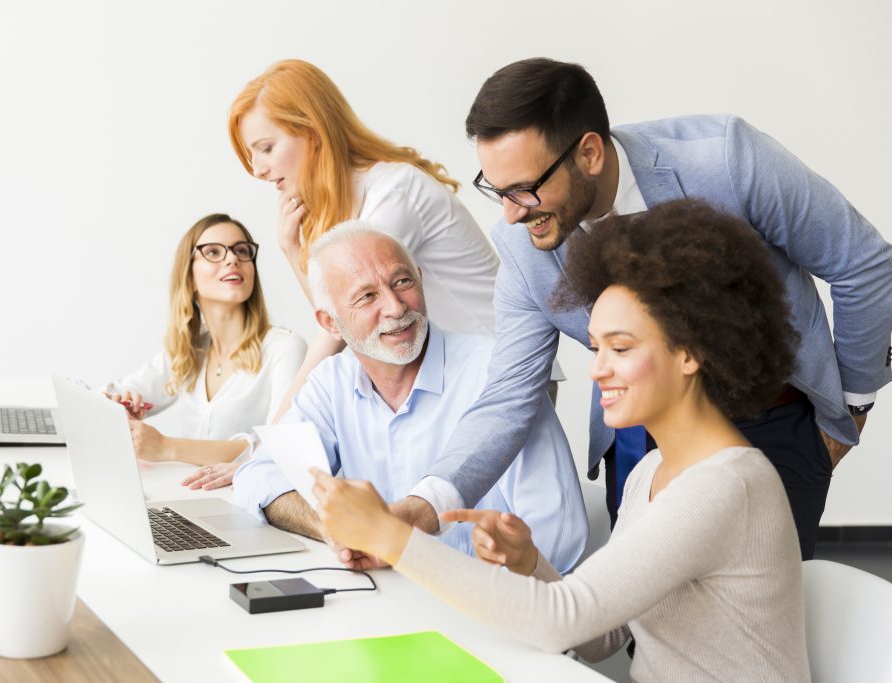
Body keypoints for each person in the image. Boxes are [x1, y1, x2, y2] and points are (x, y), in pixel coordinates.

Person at [392, 58, 892, 560]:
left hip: (771, 424)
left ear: (589, 153)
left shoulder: (725, 159)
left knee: (749, 619)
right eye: (497, 190)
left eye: (524, 189)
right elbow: (507, 394)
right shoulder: (523, 243)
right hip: (640, 450)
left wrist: (852, 410)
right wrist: (429, 502)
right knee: (647, 631)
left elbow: (864, 265)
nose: (509, 213)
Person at [313, 201, 810, 682]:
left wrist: (391, 537)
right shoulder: (650, 472)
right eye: (595, 348)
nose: (597, 369)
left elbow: (562, 621)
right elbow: (604, 633)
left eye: (620, 348)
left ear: (691, 352)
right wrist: (531, 565)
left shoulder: (725, 486)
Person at [227, 224, 586, 571]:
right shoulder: (331, 382)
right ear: (330, 322)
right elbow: (258, 474)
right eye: (367, 296)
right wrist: (333, 529)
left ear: (420, 278)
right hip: (384, 602)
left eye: (402, 282)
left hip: (487, 606)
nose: (396, 307)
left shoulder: (497, 375)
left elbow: (559, 540)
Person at [227, 59, 500, 424]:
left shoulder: (393, 195)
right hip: (453, 381)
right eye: (252, 154)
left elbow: (344, 331)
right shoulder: (352, 205)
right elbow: (344, 322)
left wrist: (269, 443)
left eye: (265, 148)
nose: (258, 169)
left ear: (313, 132)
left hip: (495, 376)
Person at [104, 213, 306, 467]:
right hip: (190, 498)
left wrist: (167, 447)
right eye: (213, 252)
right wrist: (119, 406)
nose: (233, 258)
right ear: (188, 277)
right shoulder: (189, 351)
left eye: (242, 251)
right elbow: (111, 394)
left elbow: (278, 445)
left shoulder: (285, 349)